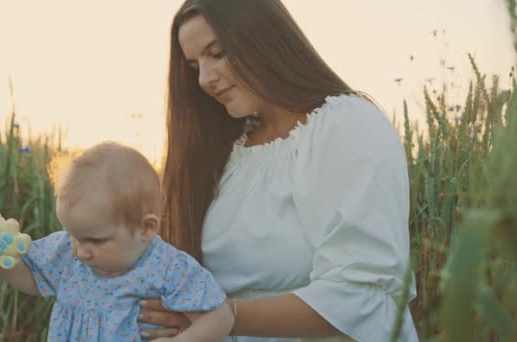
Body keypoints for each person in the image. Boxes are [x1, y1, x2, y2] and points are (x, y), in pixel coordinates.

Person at [137, 0, 419, 341]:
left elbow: (366, 295)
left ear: (264, 39)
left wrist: (219, 315)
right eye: (194, 65)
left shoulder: (346, 126)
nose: (205, 79)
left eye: (219, 53)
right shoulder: (225, 153)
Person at [0, 142, 235, 341]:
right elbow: (33, 280)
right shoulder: (66, 252)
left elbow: (220, 316)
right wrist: (0, 263)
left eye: (94, 241)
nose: (79, 252)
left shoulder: (166, 266)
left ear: (145, 228)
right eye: (72, 235)